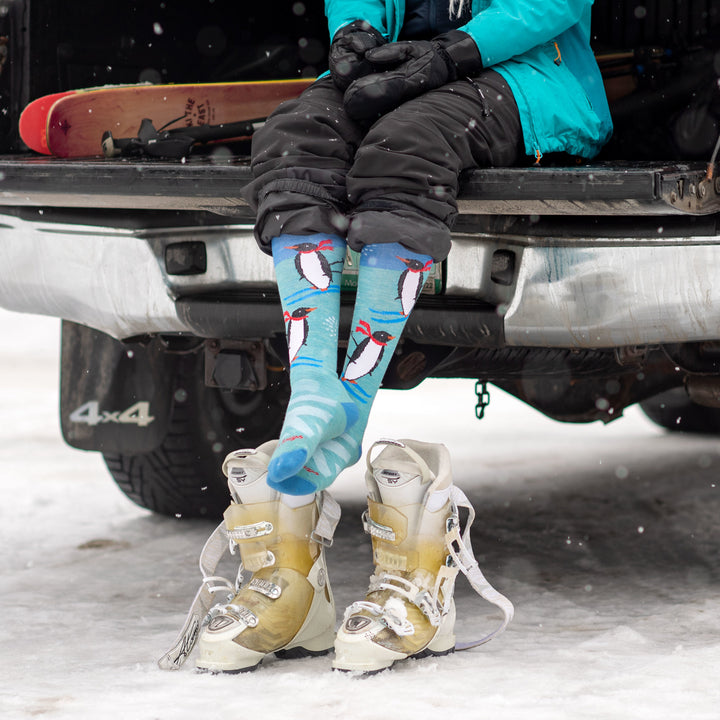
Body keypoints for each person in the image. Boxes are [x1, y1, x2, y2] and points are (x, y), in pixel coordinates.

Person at [168, 0, 612, 674]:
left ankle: (353, 403)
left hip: (523, 77)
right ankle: (314, 389)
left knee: (405, 146)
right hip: (401, 67)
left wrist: (453, 52)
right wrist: (355, 32)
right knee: (292, 141)